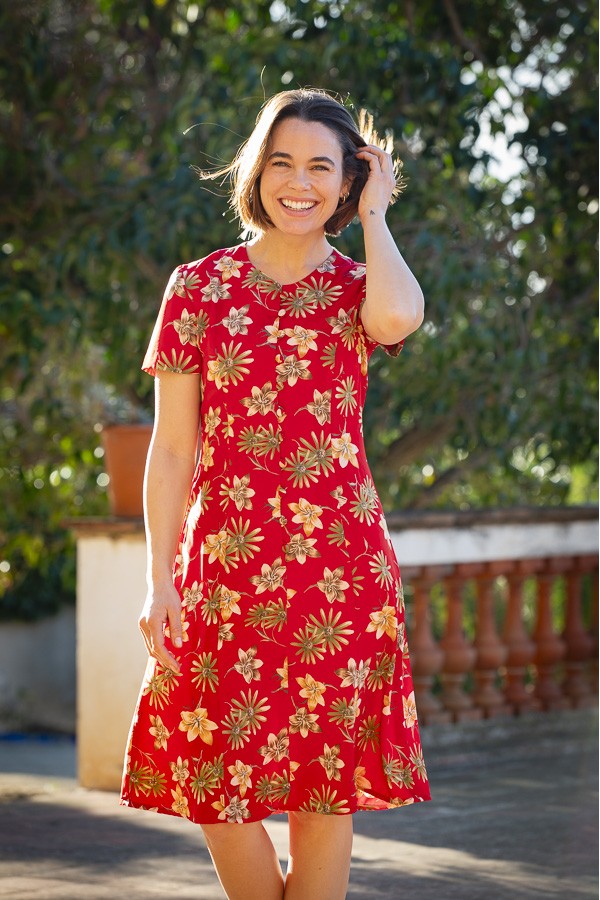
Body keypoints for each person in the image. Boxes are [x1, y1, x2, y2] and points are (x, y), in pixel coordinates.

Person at [120, 87, 431, 900]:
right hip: (223, 570)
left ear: (349, 181)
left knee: (325, 788)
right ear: (257, 171)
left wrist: (377, 214)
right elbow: (172, 449)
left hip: (339, 570)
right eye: (283, 161)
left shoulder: (362, 289)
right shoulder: (197, 287)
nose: (299, 182)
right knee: (213, 776)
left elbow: (400, 319)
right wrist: (160, 579)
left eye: (323, 167)